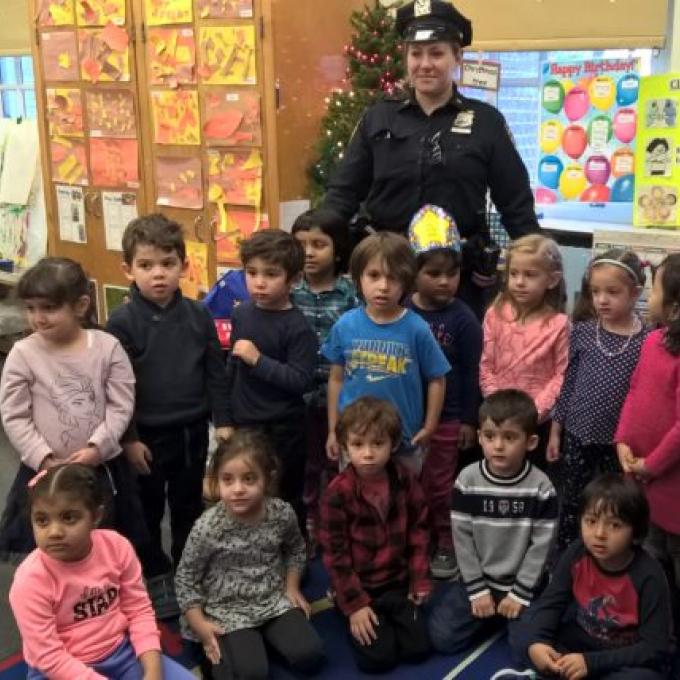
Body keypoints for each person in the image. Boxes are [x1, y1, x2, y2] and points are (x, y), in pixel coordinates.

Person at [322, 0, 540, 317]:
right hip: (387, 275)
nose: (425, 64)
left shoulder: (486, 122)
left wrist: (539, 264)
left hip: (455, 279)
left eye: (436, 53)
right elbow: (342, 193)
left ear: (457, 57)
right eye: (416, 54)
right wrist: (317, 244)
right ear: (405, 57)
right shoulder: (378, 117)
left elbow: (516, 205)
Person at [106, 214, 231, 615]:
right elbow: (117, 389)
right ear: (128, 270)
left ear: (184, 266)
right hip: (146, 437)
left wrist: (223, 421)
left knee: (187, 505)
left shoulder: (198, 314)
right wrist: (129, 439)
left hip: (192, 430)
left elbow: (214, 371)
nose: (158, 274)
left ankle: (187, 567)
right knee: (145, 510)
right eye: (146, 265)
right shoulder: (121, 322)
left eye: (167, 263)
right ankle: (155, 571)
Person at [0, 257, 139, 557]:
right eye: (31, 308)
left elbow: (121, 405)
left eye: (49, 308)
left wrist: (97, 447)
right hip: (44, 471)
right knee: (50, 543)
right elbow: (14, 415)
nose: (38, 317)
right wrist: (42, 457)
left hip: (100, 468)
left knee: (103, 542)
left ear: (80, 306)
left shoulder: (107, 348)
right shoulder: (22, 354)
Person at [9, 463, 195, 680]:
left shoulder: (116, 547)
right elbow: (48, 656)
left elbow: (139, 610)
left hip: (121, 653)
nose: (54, 532)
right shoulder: (30, 580)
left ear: (96, 516)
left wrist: (153, 671)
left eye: (69, 518)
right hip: (58, 669)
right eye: (42, 520)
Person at [175, 430, 324, 680]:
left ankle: (258, 642)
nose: (238, 489)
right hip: (226, 609)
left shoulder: (281, 513)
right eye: (228, 480)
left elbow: (296, 549)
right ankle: (226, 653)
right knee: (251, 673)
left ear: (267, 479)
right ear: (217, 481)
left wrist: (292, 587)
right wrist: (200, 626)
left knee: (310, 655)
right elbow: (185, 579)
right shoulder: (208, 526)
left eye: (249, 479)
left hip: (271, 598)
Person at [428, 389, 558, 655]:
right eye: (490, 436)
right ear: (479, 438)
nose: (498, 446)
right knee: (442, 638)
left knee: (527, 648)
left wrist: (519, 593)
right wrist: (477, 590)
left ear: (531, 442)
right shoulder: (467, 480)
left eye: (509, 437)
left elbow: (541, 548)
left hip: (523, 585)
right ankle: (490, 612)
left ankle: (504, 614)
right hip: (480, 580)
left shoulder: (541, 488)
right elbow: (462, 541)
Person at [516, 474, 673, 680]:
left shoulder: (649, 575)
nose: (599, 534)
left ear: (635, 531)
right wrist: (537, 643)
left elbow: (654, 646)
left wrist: (591, 663)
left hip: (625, 655)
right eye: (590, 521)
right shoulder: (577, 554)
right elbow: (551, 603)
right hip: (583, 640)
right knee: (522, 630)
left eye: (614, 525)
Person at [318, 396, 431, 673]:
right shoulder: (337, 493)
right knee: (378, 660)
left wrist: (419, 578)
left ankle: (388, 611)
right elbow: (335, 556)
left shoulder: (405, 479)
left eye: (377, 444)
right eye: (358, 445)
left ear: (393, 444)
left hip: (397, 582)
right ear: (345, 447)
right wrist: (355, 605)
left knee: (418, 650)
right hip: (360, 585)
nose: (368, 453)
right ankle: (343, 603)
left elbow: (419, 531)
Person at [322, 231, 450, 473]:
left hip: (404, 441)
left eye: (393, 278)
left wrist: (430, 426)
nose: (383, 286)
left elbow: (437, 378)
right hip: (354, 440)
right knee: (353, 494)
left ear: (406, 281)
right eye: (374, 275)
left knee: (404, 495)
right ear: (358, 277)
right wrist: (332, 429)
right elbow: (336, 379)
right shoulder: (345, 325)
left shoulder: (417, 328)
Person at [548, 249, 649, 551]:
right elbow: (568, 382)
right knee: (573, 500)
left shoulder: (648, 340)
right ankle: (567, 557)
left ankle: (610, 556)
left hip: (619, 443)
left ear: (635, 293)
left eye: (612, 292)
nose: (602, 300)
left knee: (615, 503)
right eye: (595, 291)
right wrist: (556, 430)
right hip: (578, 433)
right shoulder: (582, 332)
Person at [222, 229, 317, 529]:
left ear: (294, 279)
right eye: (251, 273)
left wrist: (259, 361)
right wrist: (224, 418)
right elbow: (231, 368)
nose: (259, 282)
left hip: (283, 428)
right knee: (248, 492)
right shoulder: (242, 314)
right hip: (245, 423)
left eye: (271, 274)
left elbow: (301, 380)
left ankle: (293, 549)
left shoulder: (297, 327)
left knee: (285, 496)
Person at [405, 205, 482, 578]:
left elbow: (471, 371)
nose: (444, 281)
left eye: (452, 274)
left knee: (438, 486)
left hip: (448, 420)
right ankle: (412, 540)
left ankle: (447, 543)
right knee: (407, 484)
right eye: (433, 273)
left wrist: (468, 419)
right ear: (414, 273)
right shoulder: (403, 311)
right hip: (406, 418)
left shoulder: (463, 319)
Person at [290, 208, 359, 549]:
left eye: (319, 244)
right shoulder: (288, 291)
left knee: (335, 463)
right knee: (303, 465)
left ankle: (334, 524)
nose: (308, 252)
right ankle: (306, 526)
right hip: (297, 397)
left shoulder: (351, 295)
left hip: (338, 397)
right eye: (301, 244)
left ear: (338, 249)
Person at [616, 253, 680, 593]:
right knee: (652, 567)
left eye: (654, 289)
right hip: (644, 484)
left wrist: (651, 465)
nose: (649, 296)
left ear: (675, 307)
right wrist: (623, 440)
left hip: (670, 486)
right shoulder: (653, 341)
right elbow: (634, 391)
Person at [480, 234, 569, 468]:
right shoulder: (494, 314)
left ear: (552, 279)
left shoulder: (559, 324)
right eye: (514, 274)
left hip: (536, 425)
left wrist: (532, 415)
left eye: (530, 275)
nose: (519, 282)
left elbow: (560, 375)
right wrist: (498, 409)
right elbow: (486, 364)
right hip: (497, 422)